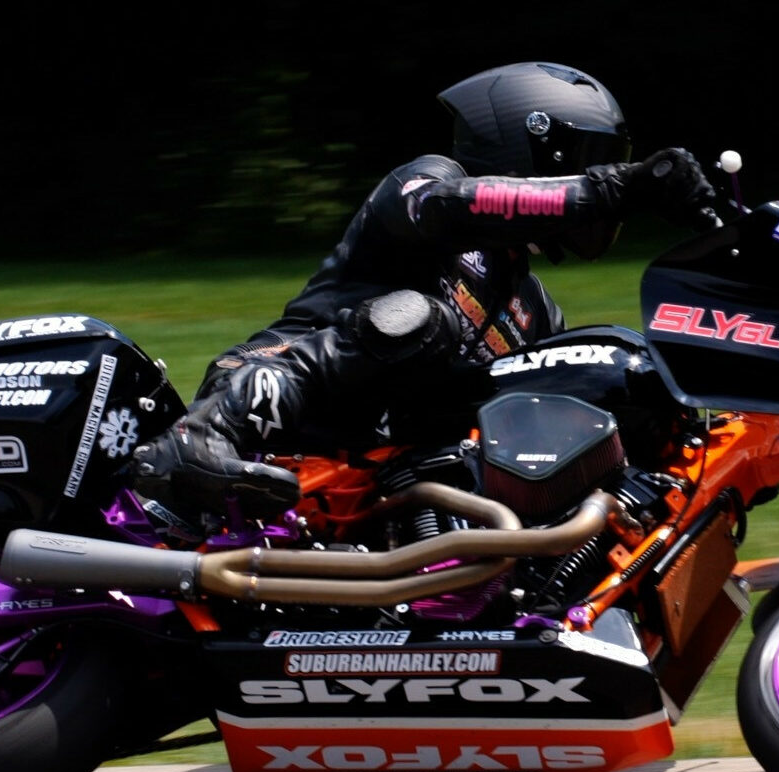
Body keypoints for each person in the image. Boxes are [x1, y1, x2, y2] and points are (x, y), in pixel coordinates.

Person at [131, 61, 719, 526]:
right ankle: (200, 435)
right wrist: (617, 188)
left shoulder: (535, 309)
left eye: (605, 165)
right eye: (589, 161)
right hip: (275, 404)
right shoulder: (427, 186)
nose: (596, 173)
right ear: (531, 148)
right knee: (421, 320)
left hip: (385, 475)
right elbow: (463, 206)